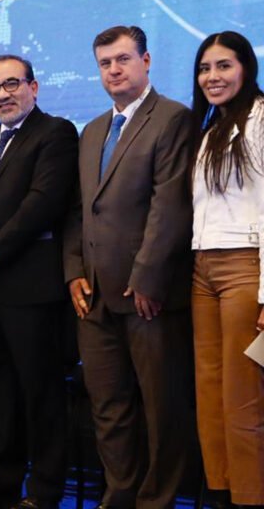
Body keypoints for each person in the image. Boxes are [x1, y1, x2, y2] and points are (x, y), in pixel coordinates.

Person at [63, 25, 195, 509]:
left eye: (123, 59)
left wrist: (147, 278)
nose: (114, 70)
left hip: (148, 296)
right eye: (105, 63)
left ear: (146, 60)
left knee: (162, 407)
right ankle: (118, 495)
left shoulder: (173, 118)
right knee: (108, 406)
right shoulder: (92, 130)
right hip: (94, 294)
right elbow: (80, 208)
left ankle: (156, 501)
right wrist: (74, 270)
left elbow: (170, 206)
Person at [0, 56, 78, 509]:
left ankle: (44, 490)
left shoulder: (56, 133)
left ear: (33, 87)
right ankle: (2, 480)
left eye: (11, 84)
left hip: (32, 288)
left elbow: (42, 204)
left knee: (41, 392)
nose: (2, 95)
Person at [189, 30, 264, 509]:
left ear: (246, 69)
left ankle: (249, 498)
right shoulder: (210, 127)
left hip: (245, 267)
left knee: (243, 398)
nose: (212, 77)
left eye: (223, 66)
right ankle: (220, 492)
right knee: (210, 392)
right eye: (204, 68)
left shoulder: (261, 117)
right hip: (202, 268)